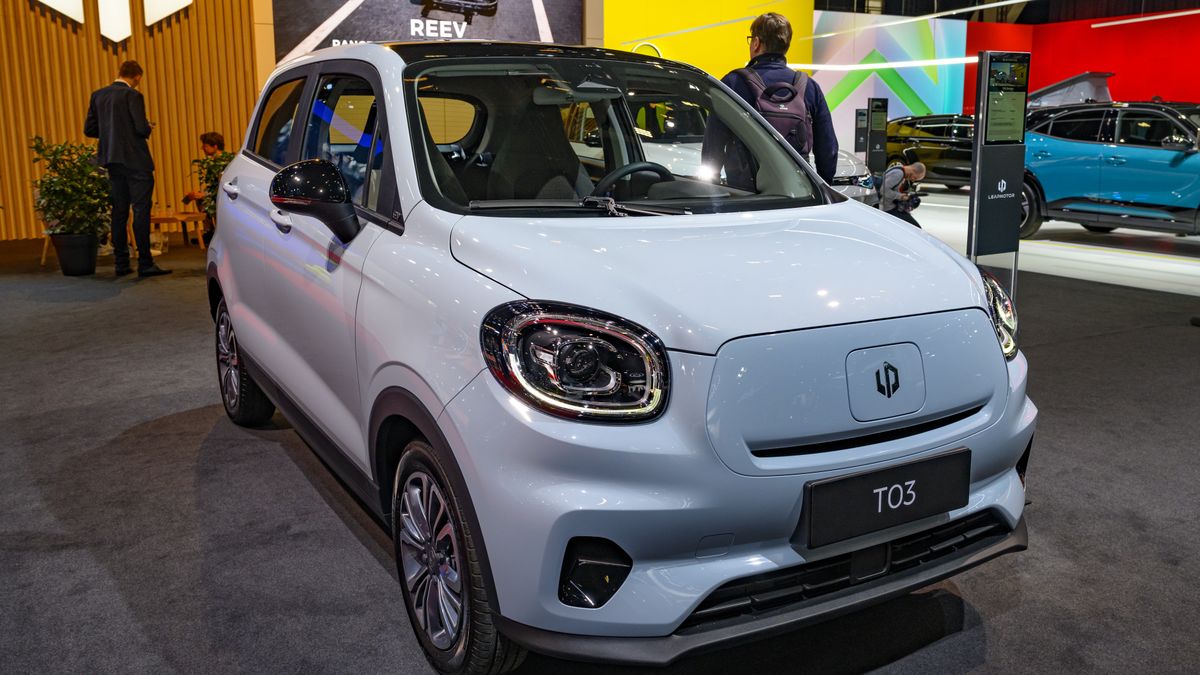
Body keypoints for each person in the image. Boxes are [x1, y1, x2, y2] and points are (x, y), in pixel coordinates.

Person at [705, 12, 838, 185]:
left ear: (756, 43)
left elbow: (713, 142)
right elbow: (828, 148)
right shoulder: (810, 87)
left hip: (746, 191)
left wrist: (712, 186)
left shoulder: (733, 83)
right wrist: (820, 186)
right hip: (798, 191)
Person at [84, 60, 170, 278]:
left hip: (112, 161)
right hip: (136, 162)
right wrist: (148, 127)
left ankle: (121, 263)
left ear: (119, 73)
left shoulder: (98, 95)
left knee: (119, 212)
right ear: (137, 77)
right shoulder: (133, 96)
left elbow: (89, 129)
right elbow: (140, 129)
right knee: (141, 212)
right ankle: (145, 263)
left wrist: (111, 132)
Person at [879, 162, 926, 228]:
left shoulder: (900, 170)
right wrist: (901, 196)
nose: (913, 180)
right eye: (915, 178)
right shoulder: (898, 173)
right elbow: (883, 190)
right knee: (915, 227)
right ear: (913, 170)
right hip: (887, 209)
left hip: (891, 207)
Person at [183, 131, 225, 203]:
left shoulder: (225, 164)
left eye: (205, 146)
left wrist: (202, 195)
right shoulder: (214, 163)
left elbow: (224, 190)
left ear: (215, 147)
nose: (202, 148)